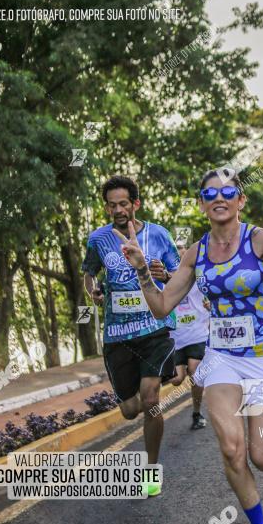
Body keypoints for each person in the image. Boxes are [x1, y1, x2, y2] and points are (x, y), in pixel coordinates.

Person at [115, 171, 263, 524]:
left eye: (228, 191)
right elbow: (161, 306)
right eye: (210, 192)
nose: (219, 197)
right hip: (223, 358)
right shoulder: (195, 254)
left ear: (240, 201)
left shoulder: (260, 239)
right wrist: (142, 269)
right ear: (202, 203)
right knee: (231, 449)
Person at [82, 175, 180, 495]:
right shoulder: (98, 239)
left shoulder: (159, 235)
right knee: (129, 410)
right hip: (117, 334)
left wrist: (164, 274)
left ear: (135, 204)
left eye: (124, 203)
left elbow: (179, 274)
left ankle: (151, 469)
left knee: (151, 399)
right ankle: (139, 390)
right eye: (112, 205)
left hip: (154, 328)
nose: (118, 209)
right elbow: (88, 274)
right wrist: (93, 292)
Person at [169, 243, 210, 431]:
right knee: (177, 379)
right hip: (175, 337)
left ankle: (196, 412)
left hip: (197, 333)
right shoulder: (166, 279)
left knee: (195, 370)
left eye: (184, 256)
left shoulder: (198, 276)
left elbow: (212, 293)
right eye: (177, 258)